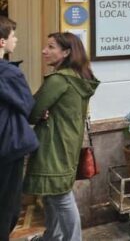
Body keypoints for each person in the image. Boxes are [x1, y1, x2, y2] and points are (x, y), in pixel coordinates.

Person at [24, 32, 99, 241]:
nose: (44, 51)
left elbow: (32, 111)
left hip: (53, 145)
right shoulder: (79, 78)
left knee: (60, 197)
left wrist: (40, 111)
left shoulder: (58, 80)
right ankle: (52, 237)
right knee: (52, 194)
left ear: (66, 52)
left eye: (50, 47)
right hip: (67, 143)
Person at [0, 17, 38, 239]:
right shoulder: (8, 72)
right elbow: (28, 106)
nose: (16, 39)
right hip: (7, 147)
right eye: (12, 35)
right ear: (2, 42)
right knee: (7, 206)